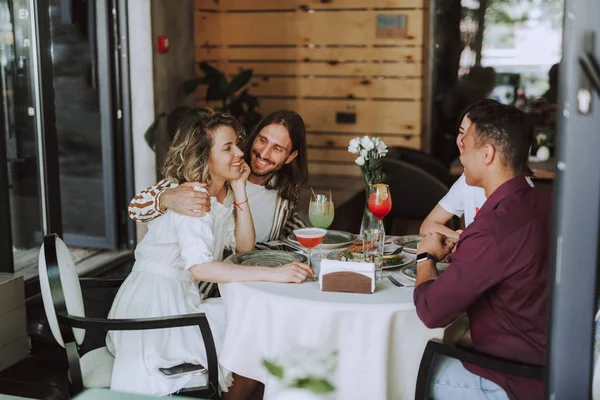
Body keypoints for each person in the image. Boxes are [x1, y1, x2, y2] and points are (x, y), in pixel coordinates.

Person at [106, 110, 313, 397]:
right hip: (156, 310)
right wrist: (274, 273)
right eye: (228, 147)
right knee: (256, 337)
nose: (241, 152)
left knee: (258, 331)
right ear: (205, 155)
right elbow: (200, 268)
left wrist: (240, 188)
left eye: (237, 144)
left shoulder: (224, 194)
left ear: (291, 156)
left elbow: (244, 248)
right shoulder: (192, 196)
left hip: (183, 299)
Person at [413, 104, 550, 400]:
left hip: (512, 380)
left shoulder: (491, 228)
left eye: (466, 144)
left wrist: (425, 258)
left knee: (400, 369)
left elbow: (431, 311)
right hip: (548, 360)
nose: (460, 152)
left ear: (487, 154)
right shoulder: (545, 205)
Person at [128, 110, 309, 243]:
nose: (263, 153)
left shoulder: (284, 189)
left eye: (277, 149)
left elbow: (288, 223)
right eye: (262, 140)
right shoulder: (222, 169)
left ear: (290, 157)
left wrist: (317, 240)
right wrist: (165, 198)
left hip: (249, 274)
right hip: (208, 279)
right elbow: (135, 208)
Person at [420, 100, 534, 239]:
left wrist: (466, 240)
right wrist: (463, 240)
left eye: (470, 136)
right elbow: (428, 226)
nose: (463, 141)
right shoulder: (467, 179)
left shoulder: (518, 190)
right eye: (461, 132)